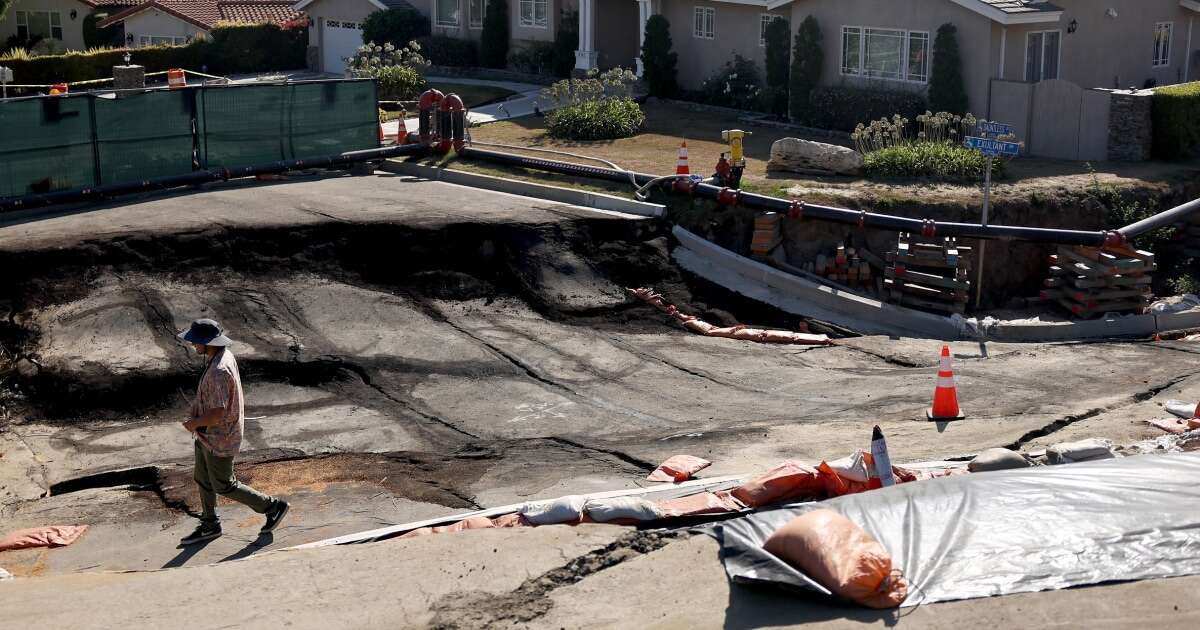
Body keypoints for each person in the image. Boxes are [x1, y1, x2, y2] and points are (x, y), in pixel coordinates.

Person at [177, 318, 289, 545]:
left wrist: (194, 424)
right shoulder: (220, 356)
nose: (193, 345)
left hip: (220, 437)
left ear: (209, 343)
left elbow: (217, 413)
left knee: (224, 484)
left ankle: (273, 507)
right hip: (207, 435)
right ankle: (210, 524)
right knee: (203, 478)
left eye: (196, 341)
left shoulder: (219, 370)